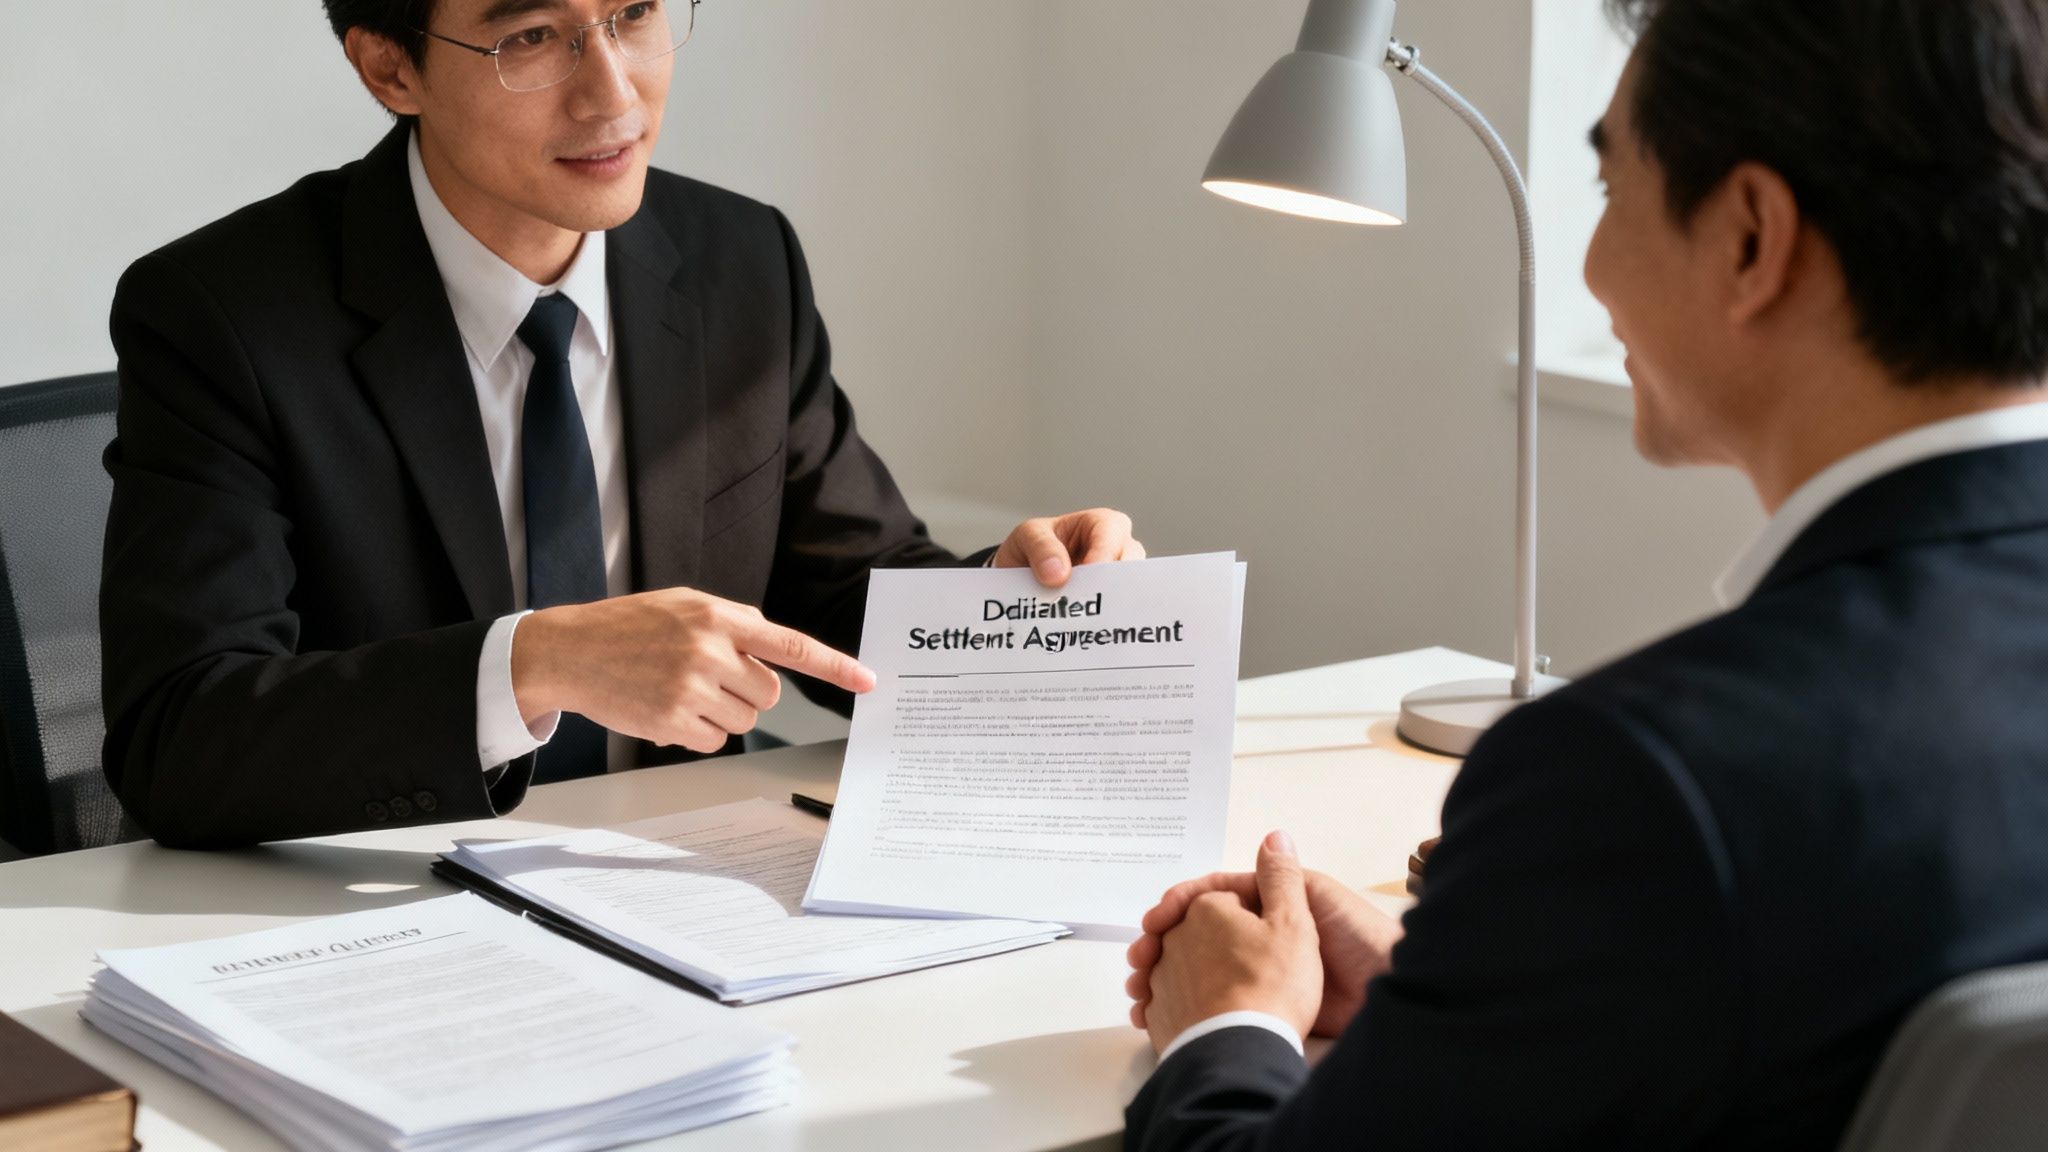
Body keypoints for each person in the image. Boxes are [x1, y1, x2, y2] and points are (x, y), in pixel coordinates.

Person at [1122, 0, 2048, 1147]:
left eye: (1610, 192)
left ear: (1751, 239)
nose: (1591, 264)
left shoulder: (1634, 781)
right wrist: (1466, 981)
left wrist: (1229, 1025)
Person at [99, 0, 1143, 849]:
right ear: (388, 70)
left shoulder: (740, 262)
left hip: (694, 887)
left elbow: (838, 594)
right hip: (385, 908)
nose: (613, 94)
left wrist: (1008, 611)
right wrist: (534, 663)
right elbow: (179, 739)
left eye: (633, 13)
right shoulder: (223, 314)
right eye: (531, 38)